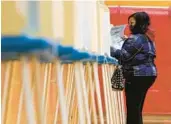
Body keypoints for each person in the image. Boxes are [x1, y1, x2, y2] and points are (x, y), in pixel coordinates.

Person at [110, 12, 157, 124]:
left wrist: (109, 46)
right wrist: (126, 42)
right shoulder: (148, 37)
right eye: (129, 23)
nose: (130, 25)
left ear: (139, 23)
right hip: (149, 75)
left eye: (132, 22)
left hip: (137, 75)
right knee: (137, 108)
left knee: (132, 108)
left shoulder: (135, 38)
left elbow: (123, 56)